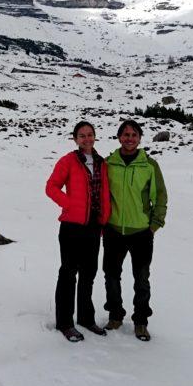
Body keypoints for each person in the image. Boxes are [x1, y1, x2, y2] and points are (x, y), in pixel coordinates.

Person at [45, 120, 111, 342]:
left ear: (95, 137)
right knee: (68, 274)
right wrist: (69, 204)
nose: (86, 139)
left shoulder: (102, 163)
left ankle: (85, 318)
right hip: (72, 226)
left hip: (93, 226)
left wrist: (103, 220)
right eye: (81, 135)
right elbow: (51, 187)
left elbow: (104, 193)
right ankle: (65, 322)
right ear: (75, 139)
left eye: (90, 134)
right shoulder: (69, 161)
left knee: (89, 274)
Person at [103, 119, 167, 342]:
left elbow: (160, 196)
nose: (129, 138)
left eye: (133, 135)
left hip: (141, 232)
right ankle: (115, 315)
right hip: (113, 231)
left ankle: (140, 321)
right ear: (119, 137)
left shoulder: (149, 165)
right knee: (111, 276)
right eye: (125, 134)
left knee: (141, 279)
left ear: (139, 138)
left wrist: (154, 225)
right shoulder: (108, 163)